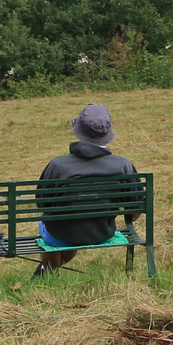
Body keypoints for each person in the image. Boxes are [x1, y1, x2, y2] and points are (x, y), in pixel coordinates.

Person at [33, 104, 138, 275]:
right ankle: (49, 271)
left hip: (61, 233)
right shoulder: (123, 166)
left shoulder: (57, 165)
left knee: (55, 226)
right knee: (72, 226)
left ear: (79, 130)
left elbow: (42, 203)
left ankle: (48, 270)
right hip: (102, 233)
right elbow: (134, 212)